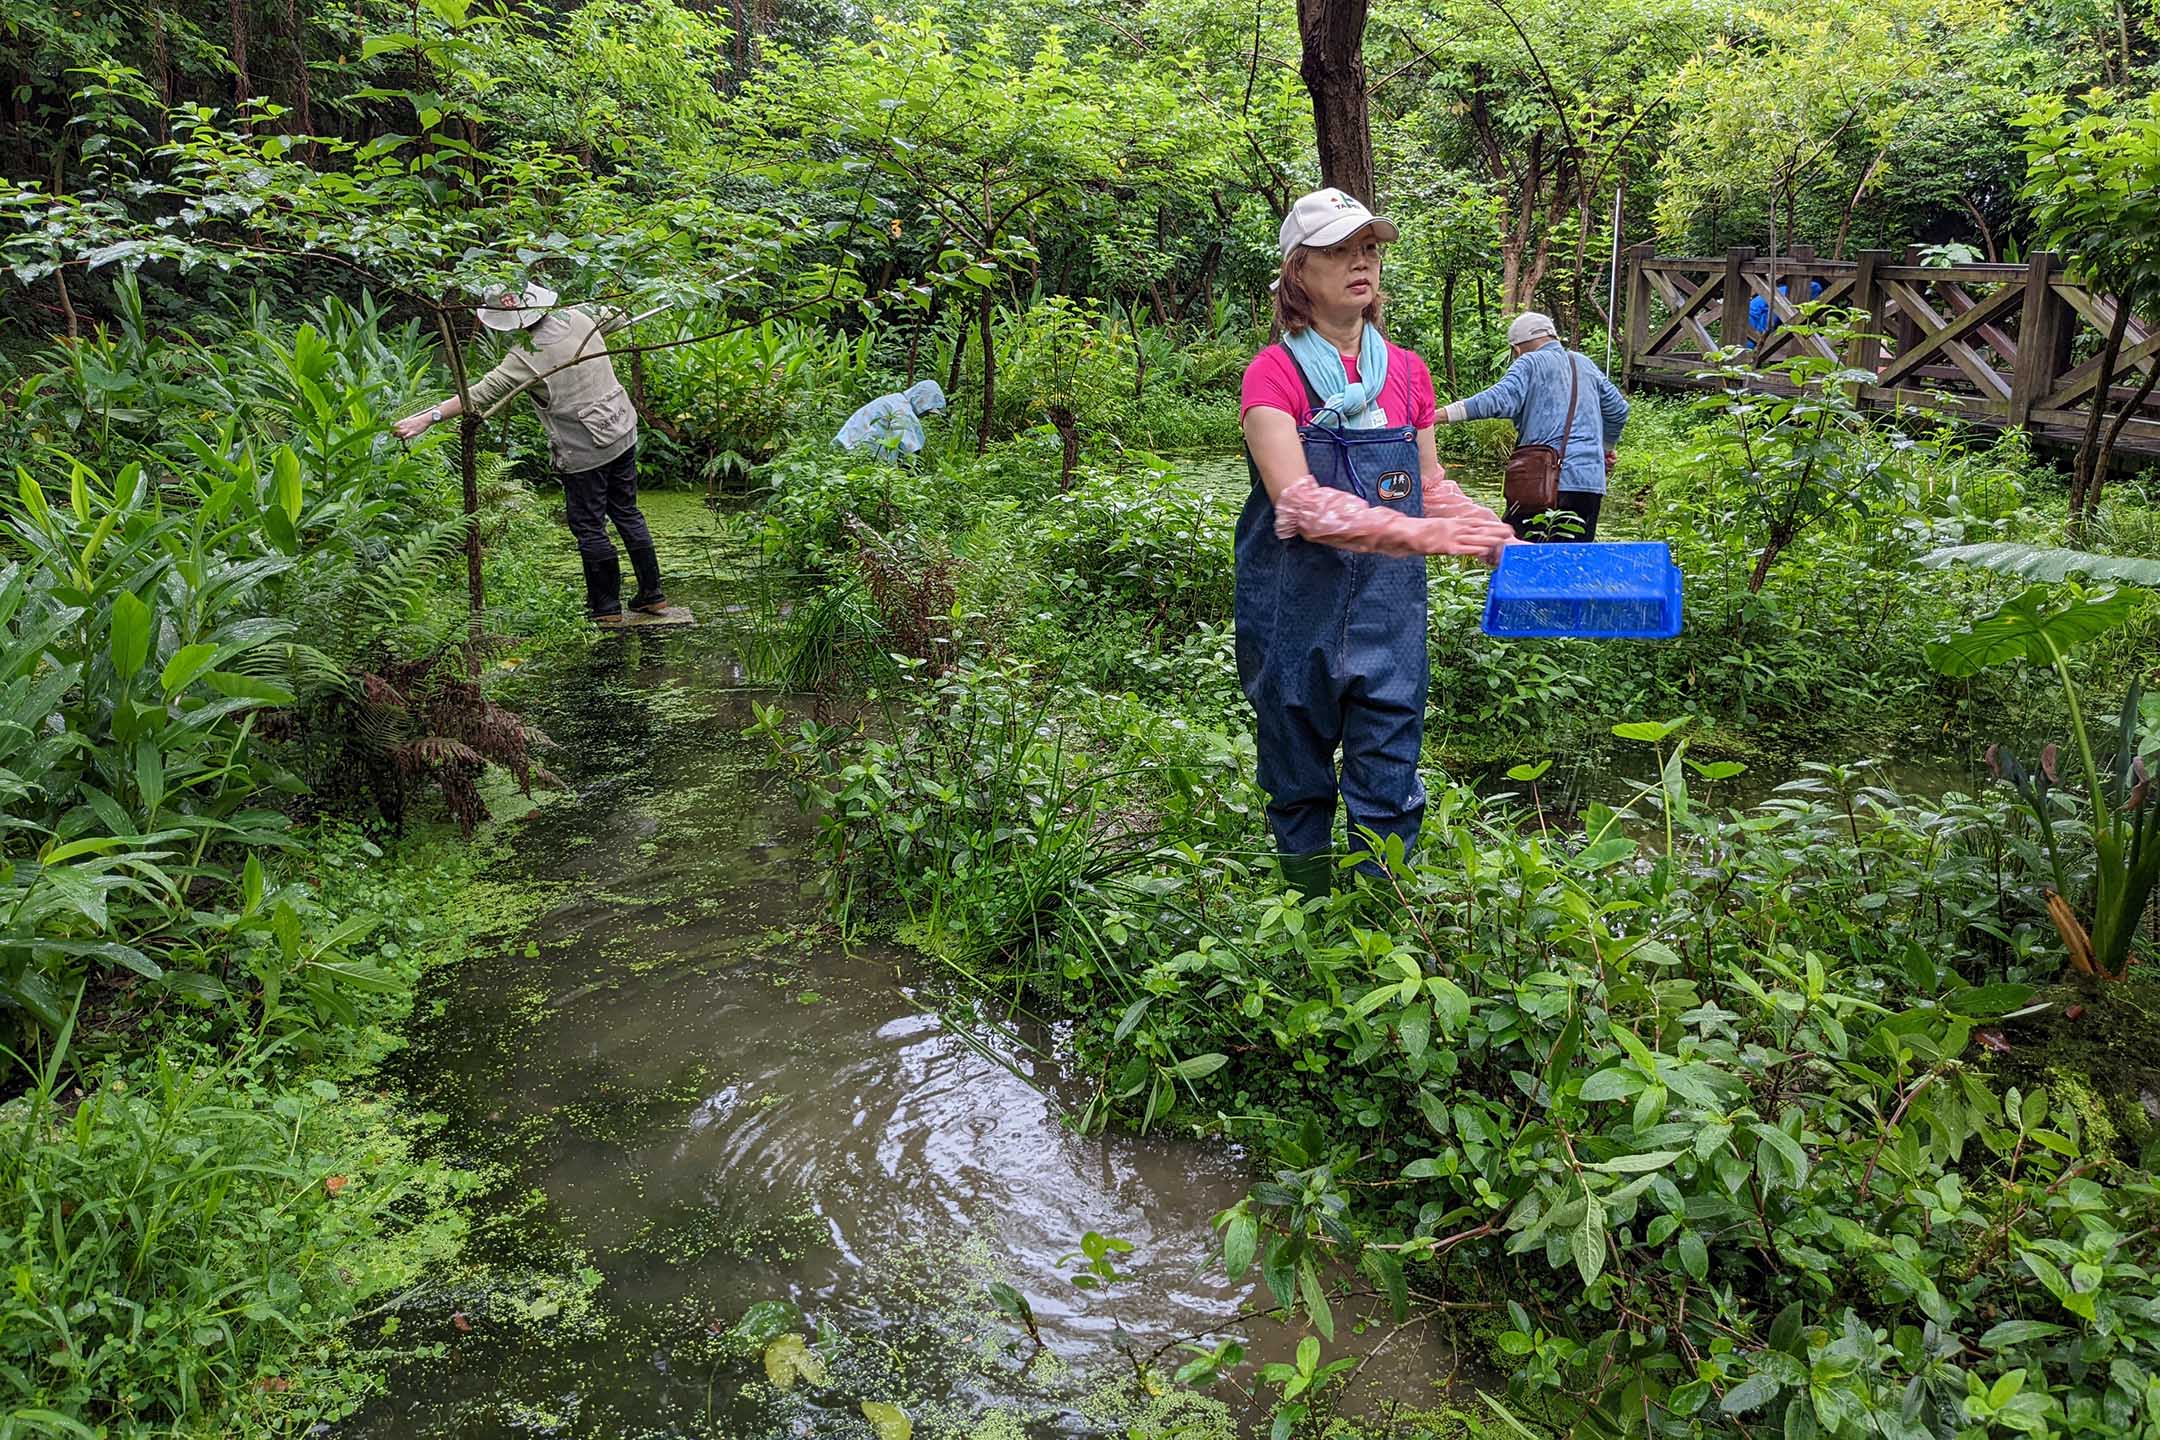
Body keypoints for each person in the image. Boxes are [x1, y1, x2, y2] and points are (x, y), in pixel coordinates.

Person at [1239, 188, 1516, 897]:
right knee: (1294, 768)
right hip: (1293, 606)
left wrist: (1479, 525)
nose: (1361, 263)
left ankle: (1380, 917)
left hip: (1387, 615)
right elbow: (1298, 501)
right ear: (1299, 272)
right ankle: (1304, 912)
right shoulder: (1274, 374)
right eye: (1338, 250)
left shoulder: (1408, 371)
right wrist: (1424, 533)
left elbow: (1428, 482)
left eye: (1368, 248)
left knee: (1389, 767)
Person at [395, 282, 666, 625]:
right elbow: (614, 317)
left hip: (585, 451)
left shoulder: (525, 357)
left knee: (589, 526)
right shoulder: (579, 318)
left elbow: (479, 394)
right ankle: (652, 595)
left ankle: (606, 608)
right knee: (626, 512)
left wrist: (427, 418)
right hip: (622, 430)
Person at [1438, 312, 1628, 542]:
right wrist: (1605, 448)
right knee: (1574, 564)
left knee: (1522, 560)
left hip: (1541, 483)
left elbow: (1498, 399)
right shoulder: (1584, 364)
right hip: (1588, 484)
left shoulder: (1529, 362)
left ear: (1516, 349)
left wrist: (1439, 415)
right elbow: (1618, 409)